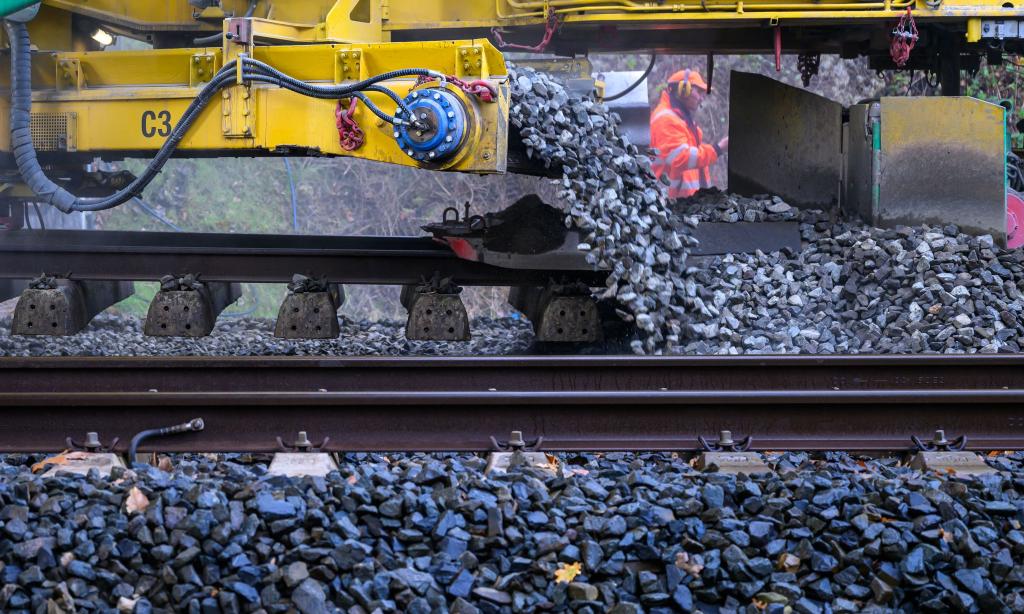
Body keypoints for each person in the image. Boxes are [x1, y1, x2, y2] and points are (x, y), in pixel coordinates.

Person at [650, 69, 728, 200]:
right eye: (699, 92)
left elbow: (692, 152)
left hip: (685, 203)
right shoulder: (666, 120)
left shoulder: (681, 119)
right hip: (671, 204)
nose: (702, 98)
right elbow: (681, 157)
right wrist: (718, 149)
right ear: (682, 91)